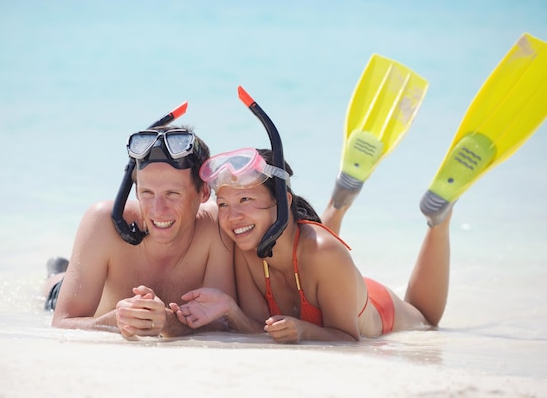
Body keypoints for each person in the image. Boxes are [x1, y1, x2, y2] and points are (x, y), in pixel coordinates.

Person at [170, 147, 451, 343]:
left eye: (246, 200)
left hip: (376, 307)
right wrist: (230, 309)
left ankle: (439, 220)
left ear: (284, 201)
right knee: (308, 245)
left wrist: (304, 332)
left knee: (426, 319)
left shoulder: (325, 252)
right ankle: (339, 200)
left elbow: (350, 339)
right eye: (223, 205)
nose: (233, 217)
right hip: (330, 278)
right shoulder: (247, 249)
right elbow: (260, 332)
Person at [44, 124, 237, 340]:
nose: (157, 210)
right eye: (146, 193)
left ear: (203, 192)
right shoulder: (103, 221)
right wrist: (113, 321)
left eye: (172, 193)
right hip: (69, 295)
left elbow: (224, 324)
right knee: (55, 285)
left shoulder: (216, 227)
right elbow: (61, 322)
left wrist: (169, 322)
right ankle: (56, 274)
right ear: (135, 190)